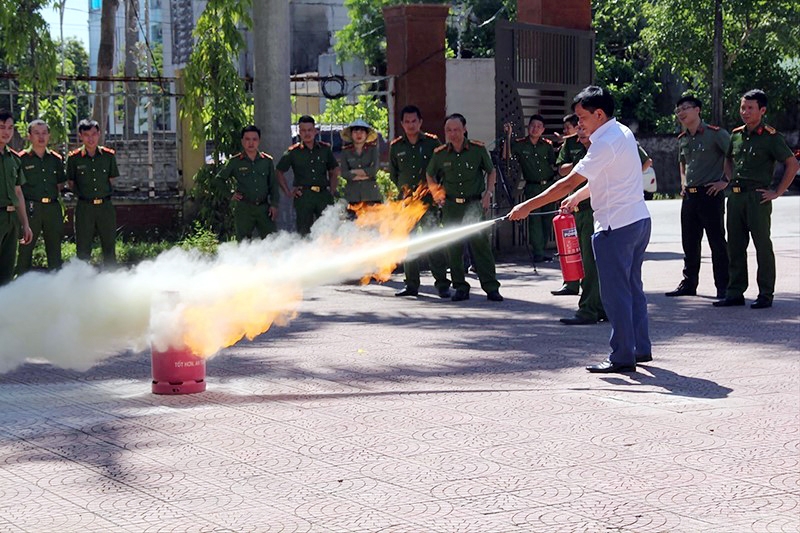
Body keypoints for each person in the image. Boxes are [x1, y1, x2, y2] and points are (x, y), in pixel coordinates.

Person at [509, 86, 652, 373]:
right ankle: (639, 348)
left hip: (615, 227)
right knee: (633, 288)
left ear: (599, 114)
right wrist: (577, 198)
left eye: (581, 118)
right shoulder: (621, 132)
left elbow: (565, 183)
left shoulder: (603, 142)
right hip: (637, 221)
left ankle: (622, 356)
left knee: (615, 294)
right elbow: (607, 178)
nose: (578, 125)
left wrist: (528, 206)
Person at [714, 89, 799, 309]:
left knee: (762, 245)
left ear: (762, 110)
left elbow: (792, 164)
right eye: (743, 107)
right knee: (734, 246)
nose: (745, 112)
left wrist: (777, 192)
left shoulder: (771, 137)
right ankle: (735, 292)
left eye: (750, 108)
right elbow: (728, 160)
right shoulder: (736, 134)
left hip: (757, 197)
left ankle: (765, 294)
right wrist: (732, 181)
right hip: (735, 198)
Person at [426, 113, 502, 302]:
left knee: (481, 246)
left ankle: (491, 287)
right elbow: (430, 174)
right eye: (449, 130)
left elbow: (491, 171)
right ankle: (460, 287)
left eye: (457, 129)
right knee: (454, 248)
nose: (453, 134)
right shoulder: (440, 153)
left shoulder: (477, 149)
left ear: (465, 129)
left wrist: (488, 194)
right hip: (451, 206)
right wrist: (437, 193)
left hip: (473, 205)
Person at [665, 95, 730, 299]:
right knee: (689, 242)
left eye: (686, 108)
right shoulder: (683, 138)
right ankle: (689, 283)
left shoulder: (715, 134)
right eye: (678, 110)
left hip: (710, 194)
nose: (681, 113)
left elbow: (734, 156)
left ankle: (724, 286)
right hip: (690, 196)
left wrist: (725, 181)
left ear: (698, 110)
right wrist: (683, 183)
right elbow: (683, 162)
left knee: (717, 242)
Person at [389, 105, 450, 298]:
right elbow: (393, 175)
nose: (410, 125)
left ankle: (442, 284)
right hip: (407, 204)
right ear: (401, 124)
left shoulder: (432, 143)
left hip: (428, 203)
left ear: (420, 122)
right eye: (406, 122)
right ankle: (411, 284)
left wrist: (439, 193)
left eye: (414, 121)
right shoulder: (396, 146)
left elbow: (442, 170)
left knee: (433, 241)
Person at [15, 120, 67, 275]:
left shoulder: (55, 159)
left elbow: (59, 184)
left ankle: (55, 286)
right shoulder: (21, 159)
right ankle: (21, 285)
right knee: (25, 248)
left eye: (44, 133)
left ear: (49, 136)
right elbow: (18, 188)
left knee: (55, 249)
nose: (41, 137)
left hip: (52, 208)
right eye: (37, 133)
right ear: (29, 136)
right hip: (31, 209)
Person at [503, 114, 556, 262]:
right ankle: (538, 252)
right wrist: (508, 135)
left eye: (539, 127)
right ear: (528, 127)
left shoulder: (547, 145)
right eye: (533, 126)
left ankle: (543, 248)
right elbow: (506, 155)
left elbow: (554, 164)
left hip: (548, 186)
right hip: (532, 186)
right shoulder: (520, 144)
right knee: (534, 220)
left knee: (547, 219)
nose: (535, 129)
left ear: (543, 129)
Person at [66, 119, 118, 266]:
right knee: (83, 247)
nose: (91, 138)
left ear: (99, 134)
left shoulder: (108, 156)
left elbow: (112, 179)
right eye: (86, 134)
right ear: (80, 136)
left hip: (105, 206)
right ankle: (83, 282)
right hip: (85, 207)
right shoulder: (74, 158)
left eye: (94, 134)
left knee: (109, 246)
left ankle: (111, 278)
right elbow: (71, 182)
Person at [276, 115, 340, 235]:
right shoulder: (293, 152)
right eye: (303, 130)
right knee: (304, 231)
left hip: (323, 195)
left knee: (328, 230)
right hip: (304, 196)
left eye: (310, 130)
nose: (307, 133)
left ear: (315, 131)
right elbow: (279, 171)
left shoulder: (324, 149)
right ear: (299, 132)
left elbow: (334, 169)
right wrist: (288, 192)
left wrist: (332, 190)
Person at [217, 125, 279, 242]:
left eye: (254, 139)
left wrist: (274, 204)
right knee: (244, 243)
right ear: (242, 141)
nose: (251, 143)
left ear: (259, 141)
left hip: (264, 208)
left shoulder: (267, 161)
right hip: (244, 208)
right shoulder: (235, 162)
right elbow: (219, 179)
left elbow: (273, 185)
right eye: (247, 139)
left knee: (272, 241)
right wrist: (230, 194)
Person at [0, 110, 33, 285]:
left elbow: (18, 192)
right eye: (1, 127)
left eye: (10, 128)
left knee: (6, 271)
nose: (6, 132)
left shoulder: (14, 158)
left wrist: (25, 224)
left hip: (12, 220)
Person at [339, 119, 383, 213]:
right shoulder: (346, 151)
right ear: (351, 134)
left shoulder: (373, 150)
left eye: (362, 131)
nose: (359, 134)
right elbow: (344, 173)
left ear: (366, 134)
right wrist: (364, 175)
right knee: (353, 225)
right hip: (352, 196)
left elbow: (374, 170)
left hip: (371, 195)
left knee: (373, 225)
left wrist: (354, 172)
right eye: (355, 131)